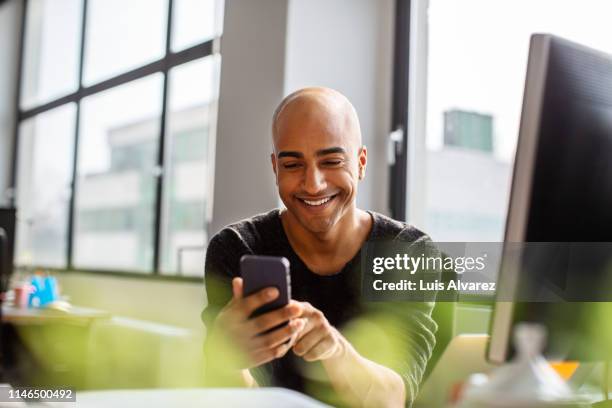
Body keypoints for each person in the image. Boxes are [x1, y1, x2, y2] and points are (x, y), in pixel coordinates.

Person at [202, 87, 438, 407]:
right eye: (292, 165)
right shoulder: (238, 248)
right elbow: (233, 399)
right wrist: (226, 358)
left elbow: (393, 400)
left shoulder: (408, 252)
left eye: (331, 161)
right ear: (275, 168)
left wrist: (333, 350)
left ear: (361, 162)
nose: (313, 184)